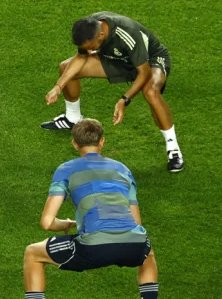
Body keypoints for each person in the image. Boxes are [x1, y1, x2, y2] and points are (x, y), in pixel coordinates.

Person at [22, 119, 158, 299]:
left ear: (75, 144)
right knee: (147, 253)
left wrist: (66, 224)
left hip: (94, 246)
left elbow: (47, 223)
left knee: (32, 253)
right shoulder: (123, 169)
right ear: (102, 141)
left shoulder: (66, 169)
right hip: (133, 243)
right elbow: (136, 222)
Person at [42, 12, 183, 172]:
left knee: (150, 92)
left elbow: (144, 73)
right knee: (65, 68)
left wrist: (124, 100)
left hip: (150, 61)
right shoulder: (88, 29)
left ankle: (173, 149)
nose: (89, 52)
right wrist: (58, 86)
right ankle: (72, 118)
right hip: (119, 60)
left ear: (102, 34)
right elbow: (81, 58)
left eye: (92, 48)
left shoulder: (126, 32)